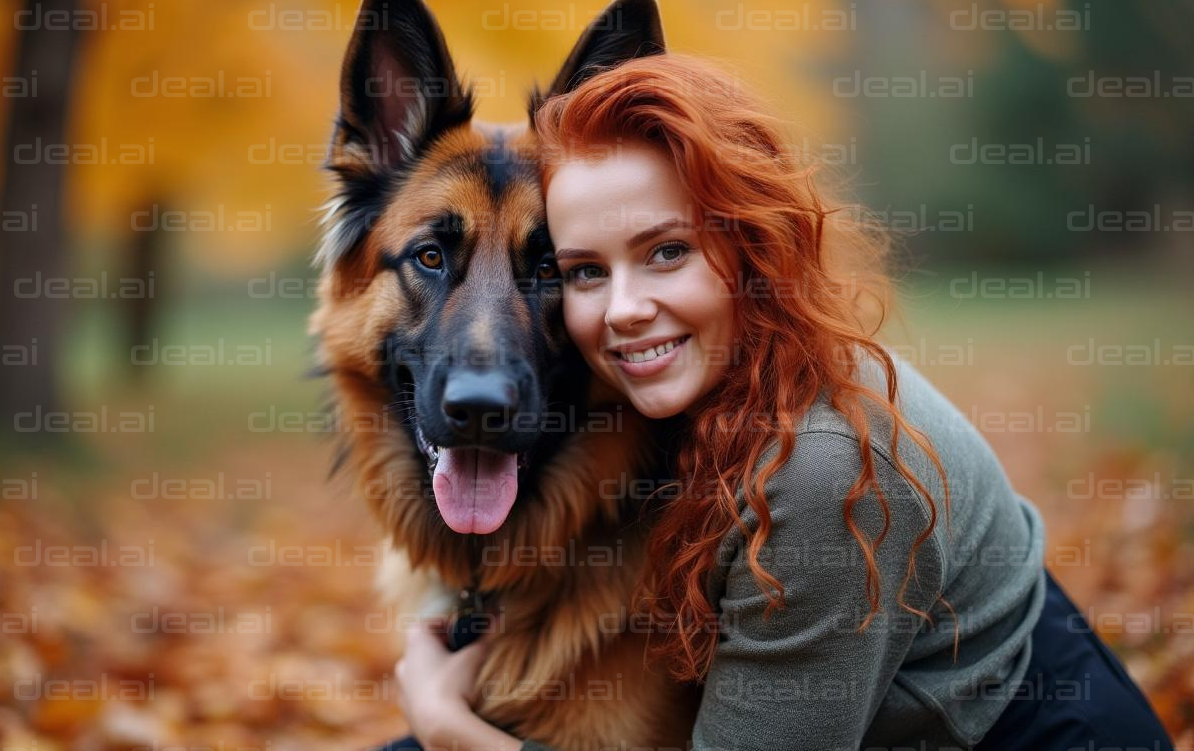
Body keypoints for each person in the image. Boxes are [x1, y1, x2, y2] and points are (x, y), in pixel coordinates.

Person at [392, 53, 1176, 750]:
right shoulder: (710, 383)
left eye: (667, 252)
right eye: (585, 271)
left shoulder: (824, 473)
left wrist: (444, 725)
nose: (624, 307)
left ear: (750, 245)